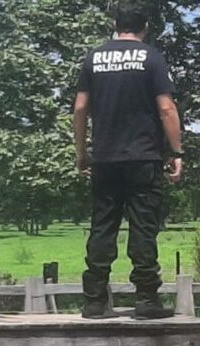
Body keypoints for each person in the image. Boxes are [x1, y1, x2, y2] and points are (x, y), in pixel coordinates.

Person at [73, 2, 183, 319]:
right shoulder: (151, 58)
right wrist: (176, 152)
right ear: (145, 26)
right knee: (143, 228)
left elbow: (80, 108)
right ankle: (147, 300)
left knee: (103, 227)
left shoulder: (94, 58)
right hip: (143, 157)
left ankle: (94, 301)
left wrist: (83, 152)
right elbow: (166, 109)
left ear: (116, 25)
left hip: (105, 159)